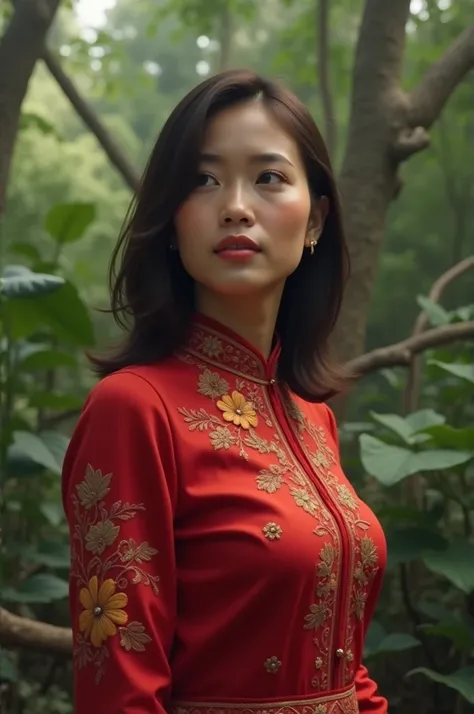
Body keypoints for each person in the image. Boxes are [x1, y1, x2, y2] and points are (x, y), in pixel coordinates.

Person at [62, 68, 388, 714]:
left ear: (316, 217)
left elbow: (343, 666)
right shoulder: (135, 410)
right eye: (203, 180)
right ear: (172, 216)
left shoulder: (312, 421)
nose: (235, 204)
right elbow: (119, 691)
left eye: (268, 177)